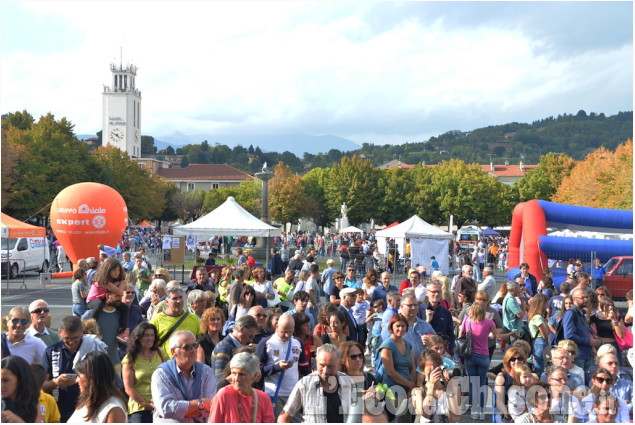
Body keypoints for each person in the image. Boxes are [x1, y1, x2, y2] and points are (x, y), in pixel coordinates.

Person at [459, 300, 513, 419]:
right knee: (482, 383)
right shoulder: (489, 322)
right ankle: (482, 411)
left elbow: (460, 335)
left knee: (473, 383)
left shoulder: (467, 320)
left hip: (470, 355)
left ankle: (474, 410)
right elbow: (498, 336)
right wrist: (509, 334)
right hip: (484, 355)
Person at [278, 343, 356, 423]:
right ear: (316, 361)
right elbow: (284, 417)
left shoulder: (348, 382)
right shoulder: (304, 385)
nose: (325, 371)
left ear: (339, 364)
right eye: (322, 365)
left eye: (330, 366)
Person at [150, 330, 216, 422]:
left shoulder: (206, 371)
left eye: (195, 346)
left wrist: (179, 411)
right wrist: (200, 403)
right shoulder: (161, 374)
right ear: (174, 352)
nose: (193, 350)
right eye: (188, 347)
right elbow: (166, 409)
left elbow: (212, 406)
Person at [257, 314, 310, 416]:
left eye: (290, 332)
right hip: (272, 394)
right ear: (277, 327)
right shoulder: (266, 343)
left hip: (293, 394)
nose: (287, 335)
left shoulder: (297, 343)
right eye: (284, 332)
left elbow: (304, 369)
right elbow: (258, 371)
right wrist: (277, 367)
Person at [208, 352, 275, 422]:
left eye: (241, 374)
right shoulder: (224, 395)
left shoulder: (263, 398)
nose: (236, 378)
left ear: (254, 376)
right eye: (234, 373)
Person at [122, 323, 166, 423]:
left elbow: (169, 376)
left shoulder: (160, 352)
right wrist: (146, 404)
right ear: (138, 337)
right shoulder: (130, 358)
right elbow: (129, 388)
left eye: (152, 335)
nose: (150, 338)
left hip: (161, 405)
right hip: (140, 407)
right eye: (146, 335)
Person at [68, 351, 127, 423]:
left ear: (92, 378)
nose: (76, 380)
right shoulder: (85, 401)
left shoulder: (113, 409)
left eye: (79, 376)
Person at [377, 314, 416, 422]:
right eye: (397, 326)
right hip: (392, 386)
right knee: (402, 415)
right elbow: (391, 372)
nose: (401, 329)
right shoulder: (387, 345)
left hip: (408, 386)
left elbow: (412, 368)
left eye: (403, 326)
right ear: (391, 327)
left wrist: (411, 387)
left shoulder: (408, 344)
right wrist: (410, 385)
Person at [150, 285, 202, 359]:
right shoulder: (157, 320)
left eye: (181, 297)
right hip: (167, 365)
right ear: (167, 302)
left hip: (190, 364)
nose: (179, 301)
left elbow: (198, 343)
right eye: (175, 298)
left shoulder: (193, 318)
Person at [86, 257, 130, 342]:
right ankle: (90, 327)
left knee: (125, 308)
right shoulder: (104, 281)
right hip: (93, 300)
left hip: (105, 298)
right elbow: (120, 292)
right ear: (108, 270)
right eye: (114, 270)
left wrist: (121, 282)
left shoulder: (114, 280)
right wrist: (121, 283)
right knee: (99, 305)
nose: (117, 273)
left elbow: (125, 288)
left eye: (118, 270)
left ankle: (122, 332)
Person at [412, 350, 461, 423]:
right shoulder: (417, 392)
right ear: (422, 372)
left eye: (437, 369)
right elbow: (426, 414)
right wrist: (431, 389)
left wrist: (450, 389)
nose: (434, 372)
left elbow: (455, 418)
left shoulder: (452, 390)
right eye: (430, 371)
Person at [565, 287, 602, 370]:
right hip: (578, 355)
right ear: (574, 299)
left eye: (587, 297)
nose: (586, 300)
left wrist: (592, 344)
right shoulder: (571, 313)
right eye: (582, 298)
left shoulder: (582, 313)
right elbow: (569, 335)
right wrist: (588, 341)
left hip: (587, 354)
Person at [211, 315, 258, 380]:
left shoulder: (235, 346)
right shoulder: (224, 348)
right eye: (250, 336)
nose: (251, 340)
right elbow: (220, 379)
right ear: (241, 330)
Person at [1, 355, 40, 423]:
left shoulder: (32, 402)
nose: (1, 385)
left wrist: (18, 421)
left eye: (6, 380)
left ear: (20, 380)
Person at [418, 282, 455, 353]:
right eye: (433, 291)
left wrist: (451, 351)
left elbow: (450, 334)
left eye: (438, 291)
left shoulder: (446, 312)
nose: (436, 294)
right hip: (423, 350)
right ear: (427, 292)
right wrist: (427, 321)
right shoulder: (419, 310)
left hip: (441, 351)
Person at [494, 347, 528, 422]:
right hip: (507, 411)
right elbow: (499, 400)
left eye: (520, 358)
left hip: (525, 412)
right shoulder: (501, 377)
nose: (517, 361)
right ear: (508, 361)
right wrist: (506, 413)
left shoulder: (528, 376)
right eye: (513, 359)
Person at [590, 297, 626, 365]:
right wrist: (594, 332)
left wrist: (614, 319)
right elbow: (587, 324)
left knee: (616, 364)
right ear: (602, 306)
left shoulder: (617, 317)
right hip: (600, 344)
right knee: (600, 364)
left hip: (613, 344)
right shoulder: (596, 316)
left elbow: (620, 334)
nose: (610, 307)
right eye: (608, 305)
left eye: (612, 305)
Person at [527, 293, 550, 375]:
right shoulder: (538, 318)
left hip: (538, 342)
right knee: (540, 367)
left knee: (540, 365)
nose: (547, 305)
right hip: (540, 342)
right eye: (546, 303)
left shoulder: (535, 316)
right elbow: (545, 335)